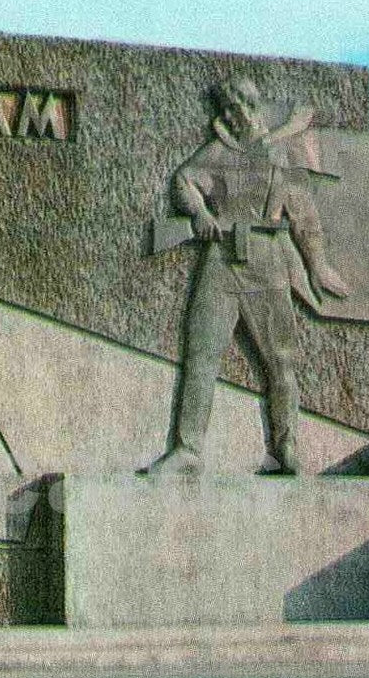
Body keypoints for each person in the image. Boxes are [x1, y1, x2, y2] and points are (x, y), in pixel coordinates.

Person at [145, 77, 348, 478]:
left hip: (267, 261)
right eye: (223, 109)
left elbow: (304, 217)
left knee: (280, 359)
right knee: (201, 355)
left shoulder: (280, 154)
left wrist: (317, 265)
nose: (227, 116)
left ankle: (285, 447)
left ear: (250, 108)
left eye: (233, 108)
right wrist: (200, 213)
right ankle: (187, 449)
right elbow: (184, 180)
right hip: (220, 261)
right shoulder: (218, 151)